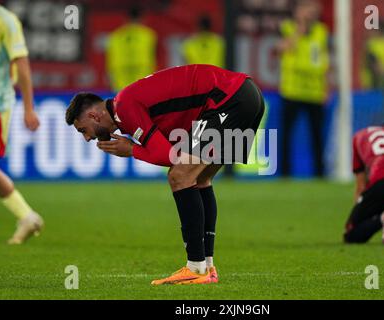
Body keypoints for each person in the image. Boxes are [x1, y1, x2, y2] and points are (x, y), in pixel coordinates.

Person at [65, 64, 265, 285]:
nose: (86, 138)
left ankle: (195, 268)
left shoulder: (125, 107)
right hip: (246, 94)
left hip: (228, 100)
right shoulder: (127, 106)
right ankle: (207, 267)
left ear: (94, 115)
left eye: (83, 130)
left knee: (179, 176)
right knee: (198, 178)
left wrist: (132, 150)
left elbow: (168, 156)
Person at [0, 5, 43, 244]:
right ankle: (27, 216)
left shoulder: (6, 21)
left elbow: (22, 65)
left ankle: (26, 216)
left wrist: (28, 108)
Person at [276, 0, 329, 177]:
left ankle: (320, 175)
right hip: (292, 91)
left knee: (317, 136)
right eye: (306, 9)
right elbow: (281, 49)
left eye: (312, 9)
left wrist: (326, 88)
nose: (309, 13)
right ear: (298, 11)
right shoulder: (287, 28)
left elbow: (325, 61)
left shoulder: (322, 31)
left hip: (315, 92)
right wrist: (299, 30)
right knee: (286, 135)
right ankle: (285, 174)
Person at [106, 6, 157, 92]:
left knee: (121, 95)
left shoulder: (116, 35)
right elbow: (152, 54)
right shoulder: (148, 34)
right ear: (142, 18)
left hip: (121, 68)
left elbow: (111, 55)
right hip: (141, 67)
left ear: (126, 19)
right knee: (141, 94)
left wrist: (110, 73)